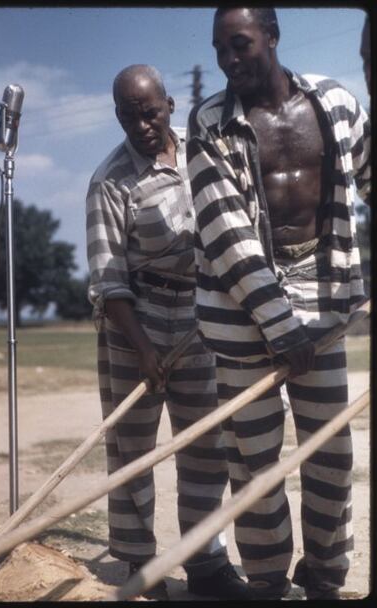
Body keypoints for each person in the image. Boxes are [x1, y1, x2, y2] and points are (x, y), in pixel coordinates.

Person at [186, 8, 370, 601]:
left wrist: (305, 323)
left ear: (272, 35)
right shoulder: (208, 121)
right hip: (240, 317)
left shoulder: (336, 104)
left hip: (325, 301)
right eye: (219, 50)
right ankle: (267, 584)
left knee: (331, 456)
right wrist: (278, 323)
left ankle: (324, 578)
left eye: (239, 44)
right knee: (255, 467)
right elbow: (225, 230)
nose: (228, 60)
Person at [85, 64, 253, 600]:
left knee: (206, 446)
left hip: (203, 313)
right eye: (129, 115)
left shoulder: (204, 153)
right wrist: (144, 348)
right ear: (118, 116)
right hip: (133, 319)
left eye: (150, 111)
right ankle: (138, 564)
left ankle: (205, 561)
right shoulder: (108, 182)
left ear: (170, 105)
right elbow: (108, 283)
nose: (142, 124)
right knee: (133, 450)